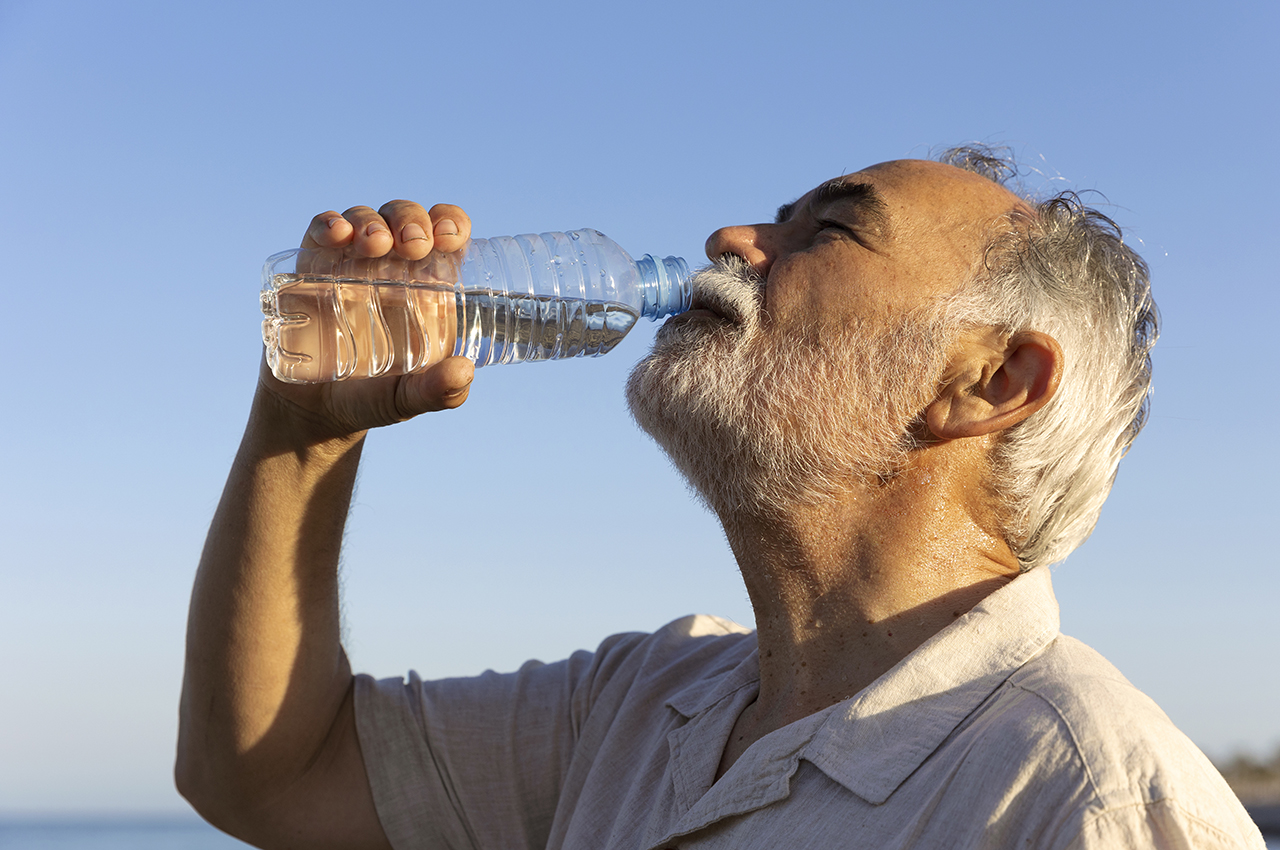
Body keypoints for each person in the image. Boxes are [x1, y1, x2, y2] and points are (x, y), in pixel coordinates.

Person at [176, 147, 1266, 849]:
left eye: (827, 230)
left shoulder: (1082, 796)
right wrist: (304, 432)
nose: (729, 244)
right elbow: (267, 774)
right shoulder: (636, 704)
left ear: (987, 384)